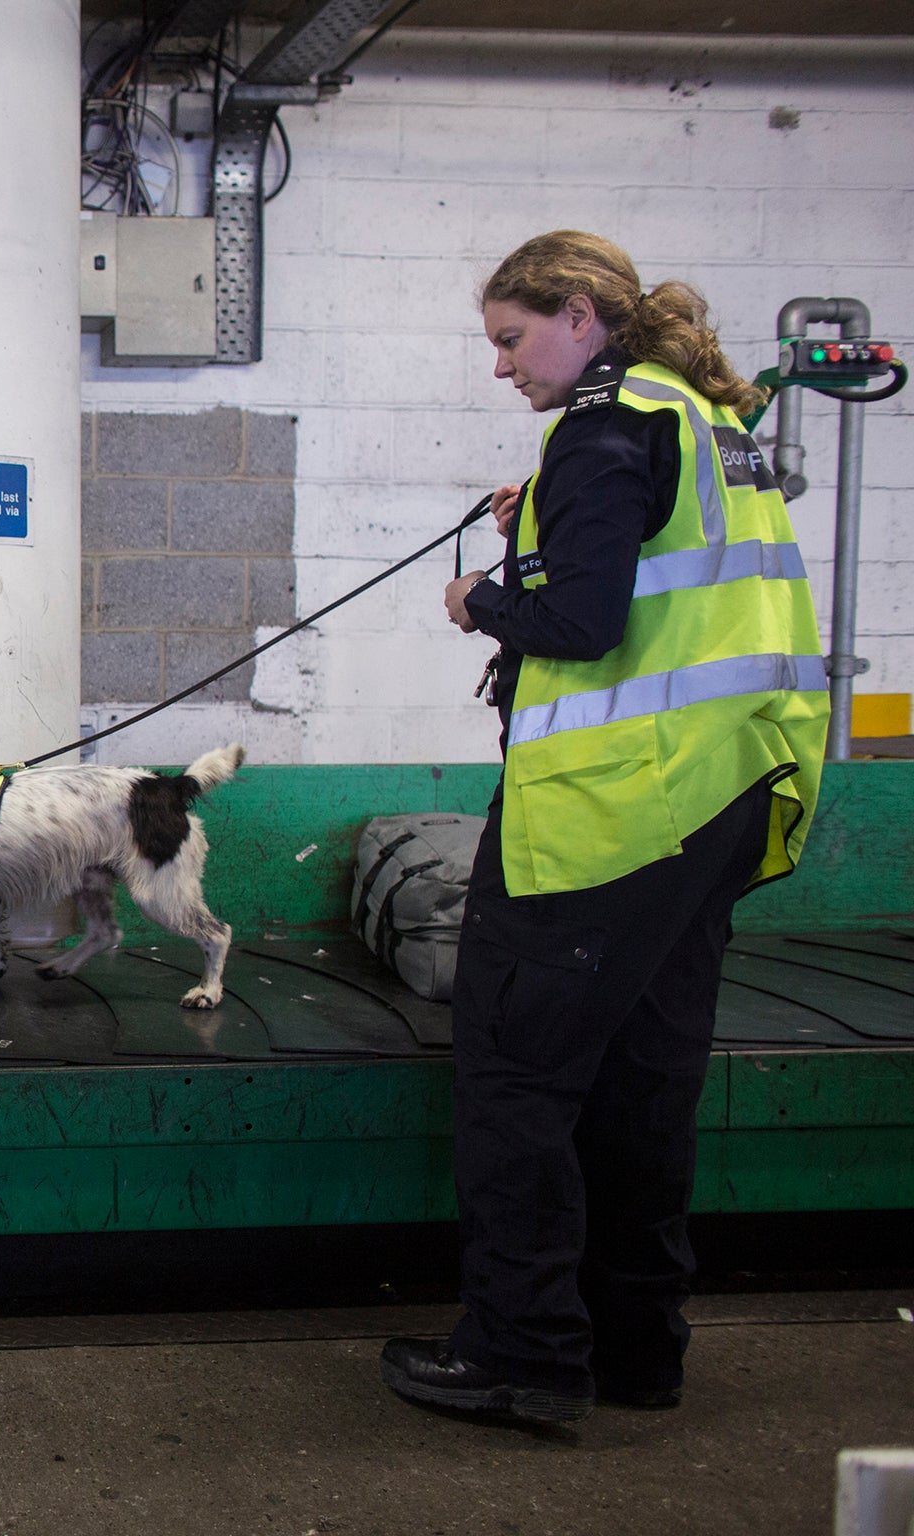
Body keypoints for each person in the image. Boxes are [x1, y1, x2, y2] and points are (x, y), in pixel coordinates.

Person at [380, 230, 829, 1424]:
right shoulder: (698, 421)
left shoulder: (602, 425)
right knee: (642, 1079)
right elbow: (659, 581)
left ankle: (522, 1354)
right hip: (726, 792)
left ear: (576, 315)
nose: (498, 368)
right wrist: (538, 519)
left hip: (613, 813)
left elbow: (577, 620)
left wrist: (481, 596)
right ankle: (637, 1352)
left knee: (514, 1076)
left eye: (508, 339)